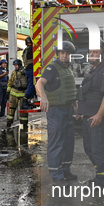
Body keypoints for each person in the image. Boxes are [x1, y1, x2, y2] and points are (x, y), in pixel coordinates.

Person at [35, 41, 78, 185]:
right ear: (58, 54)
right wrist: (44, 98)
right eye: (62, 53)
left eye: (67, 53)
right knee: (57, 142)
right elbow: (39, 84)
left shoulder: (68, 68)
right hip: (56, 111)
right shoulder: (52, 68)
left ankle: (66, 170)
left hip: (67, 109)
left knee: (68, 142)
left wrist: (75, 104)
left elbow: (68, 89)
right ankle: (57, 175)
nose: (65, 55)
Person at [77, 43, 104, 187]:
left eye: (96, 52)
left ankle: (102, 178)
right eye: (90, 52)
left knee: (98, 148)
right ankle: (101, 172)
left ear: (103, 54)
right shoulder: (94, 71)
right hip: (88, 117)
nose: (92, 54)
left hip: (97, 118)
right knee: (89, 148)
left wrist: (99, 115)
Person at [6, 59, 28, 128]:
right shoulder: (13, 73)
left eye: (16, 65)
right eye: (14, 65)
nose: (15, 67)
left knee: (23, 109)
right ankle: (9, 123)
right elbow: (10, 82)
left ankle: (24, 124)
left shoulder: (25, 72)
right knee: (11, 108)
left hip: (23, 93)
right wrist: (8, 92)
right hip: (14, 93)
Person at [21, 37, 36, 110]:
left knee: (33, 86)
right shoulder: (31, 49)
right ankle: (25, 100)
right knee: (31, 85)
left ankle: (28, 101)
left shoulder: (25, 50)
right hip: (31, 69)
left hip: (28, 70)